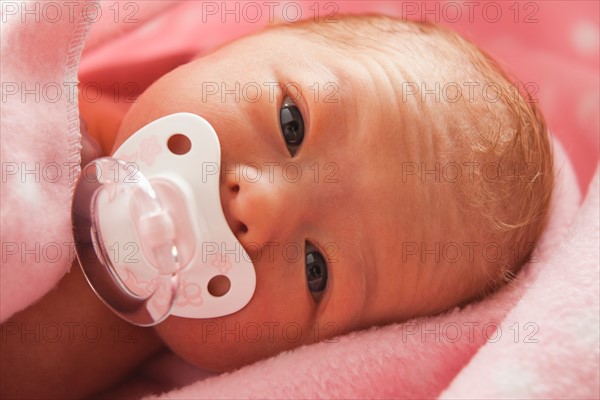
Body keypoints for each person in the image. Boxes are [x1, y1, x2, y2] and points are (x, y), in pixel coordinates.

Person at [0, 15, 554, 399]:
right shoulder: (54, 92)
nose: (262, 207)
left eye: (317, 270)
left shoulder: (121, 355)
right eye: (293, 124)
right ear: (242, 44)